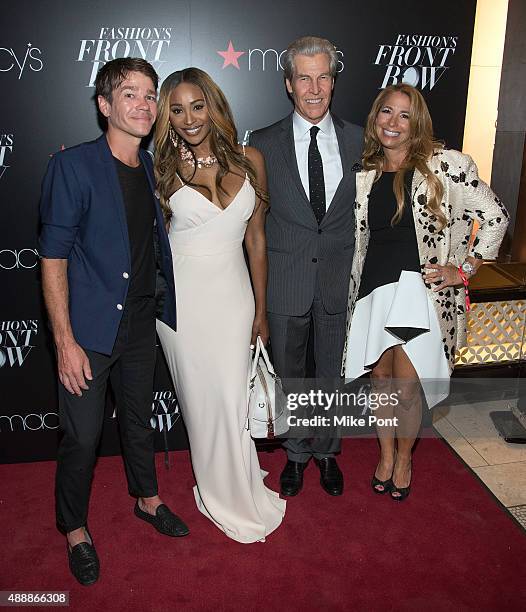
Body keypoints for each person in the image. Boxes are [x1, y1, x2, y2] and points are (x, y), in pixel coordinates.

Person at [39, 58, 189, 586]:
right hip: (89, 332)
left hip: (141, 323)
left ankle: (147, 500)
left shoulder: (148, 167)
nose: (144, 104)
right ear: (105, 105)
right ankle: (75, 528)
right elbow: (53, 257)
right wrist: (65, 341)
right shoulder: (74, 166)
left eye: (150, 94)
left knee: (138, 421)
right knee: (81, 438)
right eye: (130, 94)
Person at [342, 83, 509, 500]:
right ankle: (384, 454)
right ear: (374, 117)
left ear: (417, 123)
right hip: (373, 290)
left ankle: (404, 458)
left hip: (420, 291)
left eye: (403, 115)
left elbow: (496, 217)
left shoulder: (446, 166)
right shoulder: (364, 172)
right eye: (386, 112)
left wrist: (464, 269)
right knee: (380, 379)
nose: (393, 123)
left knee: (407, 384)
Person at [153, 68, 286, 543]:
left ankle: (243, 487)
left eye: (197, 105)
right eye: (176, 109)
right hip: (183, 305)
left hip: (234, 296)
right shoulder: (160, 168)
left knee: (233, 401)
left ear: (213, 105)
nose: (189, 118)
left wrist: (261, 311)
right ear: (166, 115)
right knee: (203, 406)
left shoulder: (251, 159)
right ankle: (218, 492)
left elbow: (257, 240)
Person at [250, 36, 363, 497]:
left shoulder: (361, 139)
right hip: (286, 281)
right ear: (288, 84)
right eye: (304, 78)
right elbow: (253, 221)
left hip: (339, 281)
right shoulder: (262, 143)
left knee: (331, 375)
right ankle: (296, 454)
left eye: (323, 77)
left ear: (333, 82)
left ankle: (327, 452)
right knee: (292, 375)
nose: (314, 88)